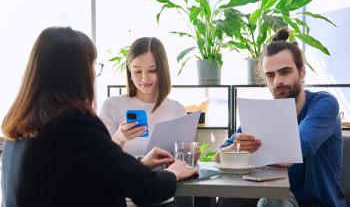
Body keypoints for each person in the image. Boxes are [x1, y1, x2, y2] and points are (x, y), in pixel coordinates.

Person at [1, 27, 198, 207]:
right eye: (92, 65)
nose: (94, 74)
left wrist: (140, 165)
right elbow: (145, 190)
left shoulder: (21, 123)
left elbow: (94, 172)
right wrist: (173, 173)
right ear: (76, 73)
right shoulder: (73, 123)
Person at [215, 29, 347, 207]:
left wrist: (248, 151)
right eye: (270, 75)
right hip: (273, 197)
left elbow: (294, 150)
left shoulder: (324, 103)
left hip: (317, 203)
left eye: (285, 72)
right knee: (230, 199)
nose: (277, 81)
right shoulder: (263, 112)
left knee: (274, 199)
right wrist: (236, 147)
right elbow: (218, 157)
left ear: (301, 72)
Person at [99, 37, 200, 159]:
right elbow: (102, 160)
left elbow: (181, 158)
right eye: (137, 71)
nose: (144, 78)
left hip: (167, 177)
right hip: (127, 177)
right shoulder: (112, 106)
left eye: (152, 70)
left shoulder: (177, 109)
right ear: (129, 70)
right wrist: (119, 138)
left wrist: (190, 154)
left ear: (163, 70)